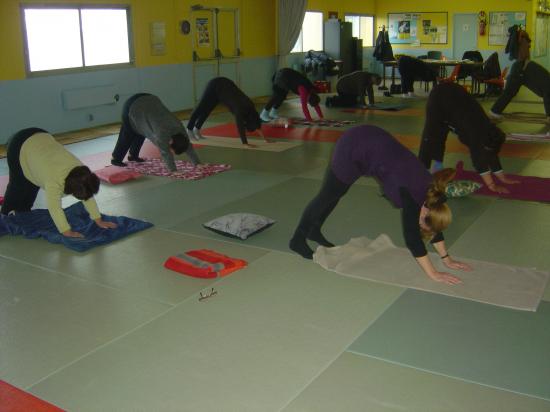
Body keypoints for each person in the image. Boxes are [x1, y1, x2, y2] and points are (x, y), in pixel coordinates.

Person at [289, 125, 472, 285]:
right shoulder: (412, 196)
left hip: (372, 145)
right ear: (424, 213)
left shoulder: (433, 197)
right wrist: (434, 273)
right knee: (328, 195)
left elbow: (434, 224)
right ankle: (297, 240)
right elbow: (412, 239)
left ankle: (314, 230)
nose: (422, 229)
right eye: (423, 225)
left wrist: (446, 258)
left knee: (337, 192)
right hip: (354, 146)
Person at [1, 128, 116, 238]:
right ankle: (4, 217)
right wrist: (66, 231)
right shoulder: (54, 182)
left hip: (41, 136)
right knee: (18, 184)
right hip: (19, 145)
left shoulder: (82, 171)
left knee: (33, 183)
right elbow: (55, 208)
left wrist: (98, 220)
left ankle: (22, 214)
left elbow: (87, 195)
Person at [419, 82, 517, 193]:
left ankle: (437, 170)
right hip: (439, 97)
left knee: (442, 133)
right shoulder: (476, 132)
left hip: (455, 101)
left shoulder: (489, 131)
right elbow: (478, 159)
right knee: (431, 136)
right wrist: (492, 185)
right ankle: (422, 173)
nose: (486, 152)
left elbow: (491, 153)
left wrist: (502, 177)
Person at [111, 93, 200, 171]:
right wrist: (173, 171)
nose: (170, 149)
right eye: (172, 148)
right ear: (170, 142)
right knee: (127, 134)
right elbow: (165, 153)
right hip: (131, 107)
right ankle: (116, 159)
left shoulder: (180, 129)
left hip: (148, 99)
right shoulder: (162, 135)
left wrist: (197, 163)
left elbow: (188, 146)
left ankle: (133, 155)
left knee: (142, 129)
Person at [187, 77, 267, 148]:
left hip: (224, 89)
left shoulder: (251, 108)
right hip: (215, 84)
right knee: (200, 108)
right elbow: (240, 126)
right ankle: (189, 130)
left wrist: (265, 139)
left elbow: (256, 122)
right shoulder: (239, 109)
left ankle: (196, 129)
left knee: (207, 110)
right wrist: (245, 143)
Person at [489, 30, 550, 122]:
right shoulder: (521, 40)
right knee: (509, 92)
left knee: (510, 92)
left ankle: (495, 111)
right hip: (520, 69)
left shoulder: (524, 41)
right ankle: (494, 111)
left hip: (523, 69)